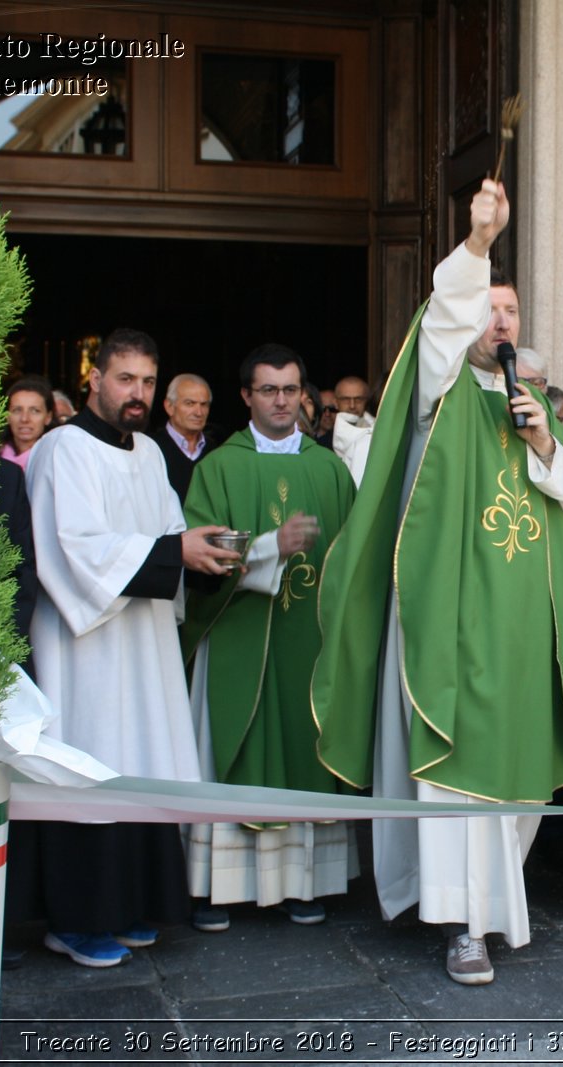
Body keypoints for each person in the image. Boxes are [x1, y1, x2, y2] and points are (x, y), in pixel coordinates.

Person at [312, 180, 563, 986]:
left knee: (510, 776)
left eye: (508, 311)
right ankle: (462, 923)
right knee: (452, 774)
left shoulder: (531, 404)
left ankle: (499, 907)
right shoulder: (435, 399)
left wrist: (547, 449)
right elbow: (440, 328)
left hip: (515, 629)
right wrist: (477, 244)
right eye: (486, 307)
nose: (496, 322)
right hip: (446, 618)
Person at [23, 327, 242, 968]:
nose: (138, 393)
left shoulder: (147, 454)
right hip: (84, 645)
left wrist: (199, 547)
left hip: (141, 641)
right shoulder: (62, 450)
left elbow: (169, 532)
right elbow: (76, 549)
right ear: (95, 379)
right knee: (90, 768)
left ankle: (134, 906)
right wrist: (174, 550)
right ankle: (75, 920)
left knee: (140, 760)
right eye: (126, 379)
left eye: (148, 381)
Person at [181, 344, 356, 932]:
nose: (282, 401)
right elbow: (197, 553)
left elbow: (354, 559)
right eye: (268, 390)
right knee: (236, 748)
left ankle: (303, 884)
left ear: (303, 394)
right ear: (246, 397)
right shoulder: (219, 468)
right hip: (238, 637)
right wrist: (264, 550)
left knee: (305, 747)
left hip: (309, 642)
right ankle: (218, 888)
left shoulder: (329, 469)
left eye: (290, 389)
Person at [150, 373, 215, 504]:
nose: (198, 412)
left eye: (204, 404)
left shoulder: (215, 451)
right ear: (169, 407)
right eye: (190, 403)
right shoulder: (150, 448)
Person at [0, 375, 56, 470]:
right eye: (17, 410)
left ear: (48, 417)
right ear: (7, 416)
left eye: (34, 411)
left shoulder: (54, 460)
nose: (24, 419)